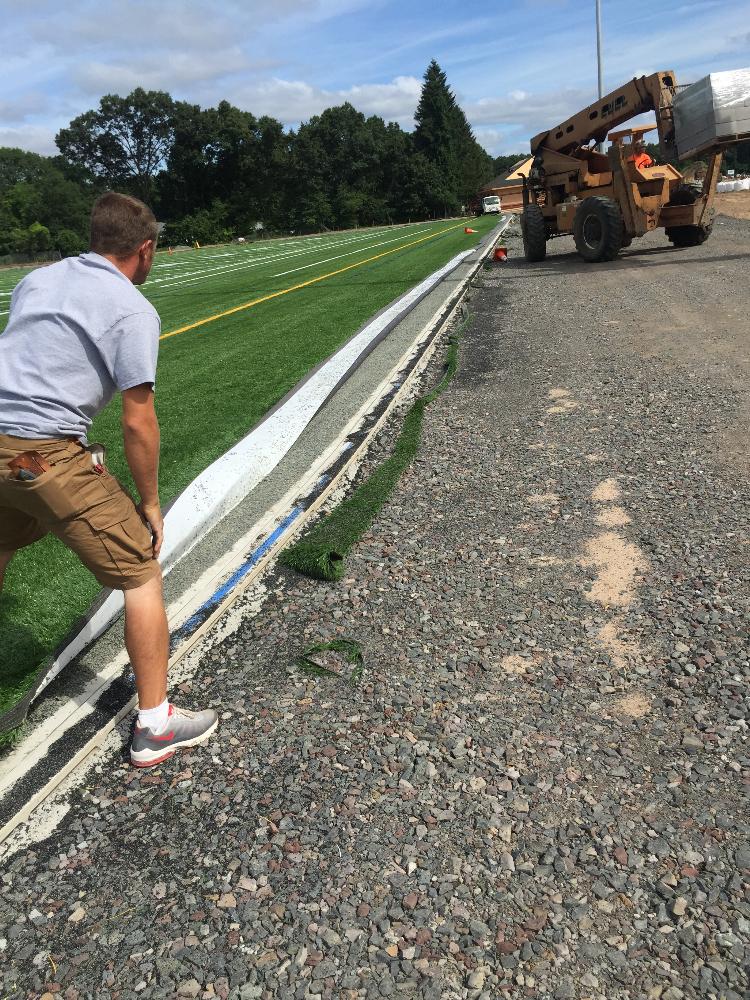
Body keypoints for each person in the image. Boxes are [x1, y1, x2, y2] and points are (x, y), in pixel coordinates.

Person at [0, 192, 218, 768]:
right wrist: (149, 502)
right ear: (145, 249)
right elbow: (137, 418)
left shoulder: (39, 281)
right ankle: (155, 724)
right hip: (45, 454)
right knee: (141, 571)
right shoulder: (131, 309)